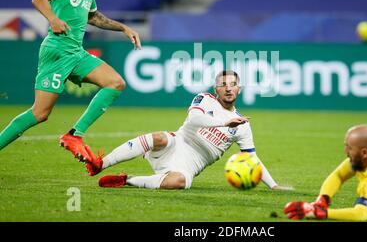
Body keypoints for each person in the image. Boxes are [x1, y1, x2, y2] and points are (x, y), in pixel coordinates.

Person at [0, 0, 141, 165]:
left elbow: (94, 17)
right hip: (57, 50)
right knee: (40, 113)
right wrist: (53, 20)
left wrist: (124, 29)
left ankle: (74, 135)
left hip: (76, 52)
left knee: (115, 83)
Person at [85, 70, 292, 191]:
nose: (228, 88)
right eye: (223, 85)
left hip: (190, 165)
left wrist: (273, 186)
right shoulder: (205, 99)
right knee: (159, 137)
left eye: (233, 84)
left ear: (239, 89)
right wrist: (224, 123)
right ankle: (101, 164)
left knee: (180, 182)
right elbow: (194, 119)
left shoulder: (243, 125)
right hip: (176, 145)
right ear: (215, 89)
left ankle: (127, 179)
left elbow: (252, 159)